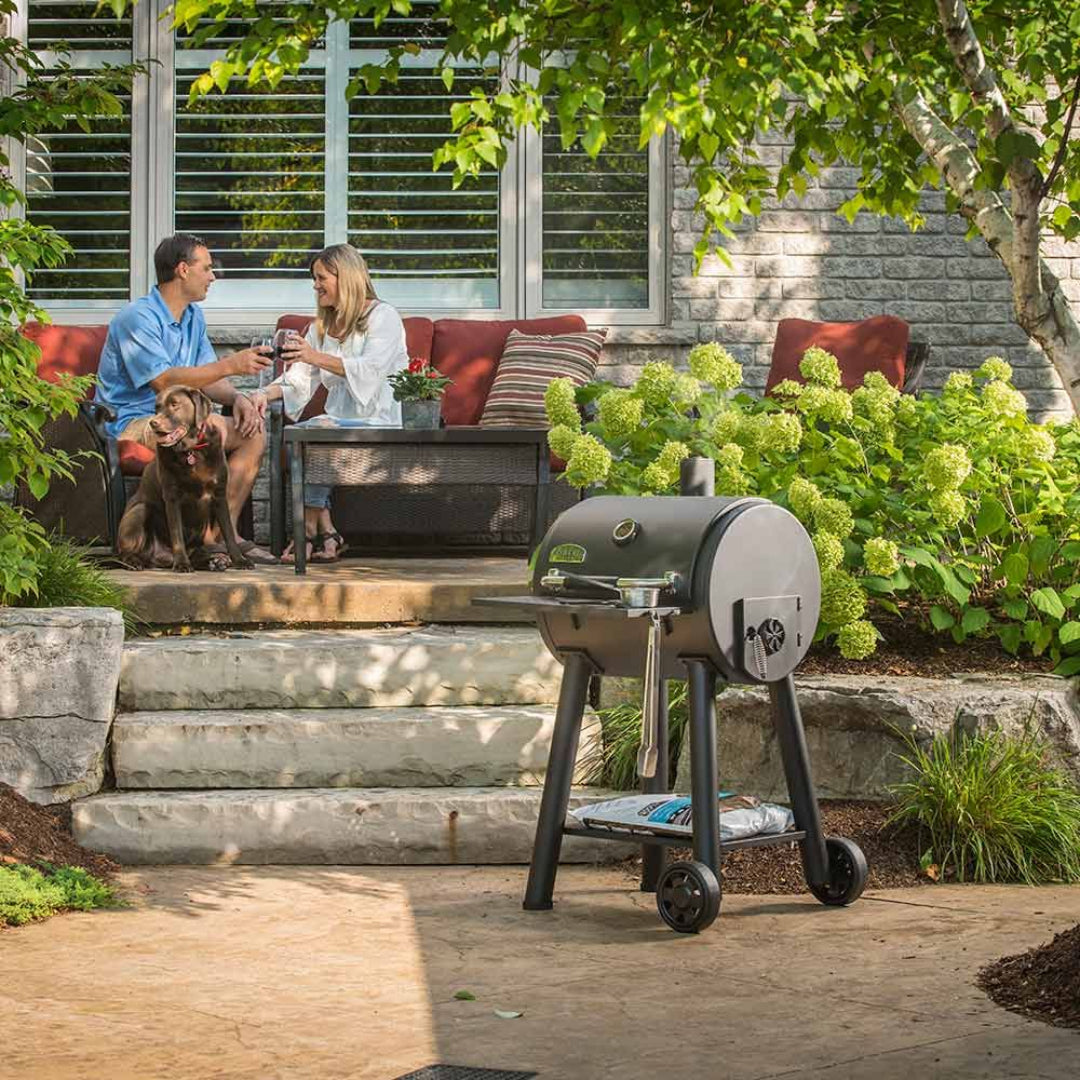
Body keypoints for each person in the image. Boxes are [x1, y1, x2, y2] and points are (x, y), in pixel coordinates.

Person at [96, 233, 278, 564]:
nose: (212, 277)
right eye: (206, 268)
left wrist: (237, 398)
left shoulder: (192, 317)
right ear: (183, 269)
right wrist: (232, 363)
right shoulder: (137, 318)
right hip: (135, 421)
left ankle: (220, 535)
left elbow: (207, 378)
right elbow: (163, 381)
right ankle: (204, 545)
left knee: (253, 430)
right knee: (208, 430)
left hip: (182, 421)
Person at [247, 244, 409, 563]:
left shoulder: (383, 316)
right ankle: (327, 532)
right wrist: (261, 395)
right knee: (312, 433)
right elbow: (300, 379)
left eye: (321, 277)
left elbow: (371, 371)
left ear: (345, 277)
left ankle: (307, 531)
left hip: (378, 419)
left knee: (314, 433)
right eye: (314, 278)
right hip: (337, 423)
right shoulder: (321, 327)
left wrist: (314, 355)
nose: (315, 285)